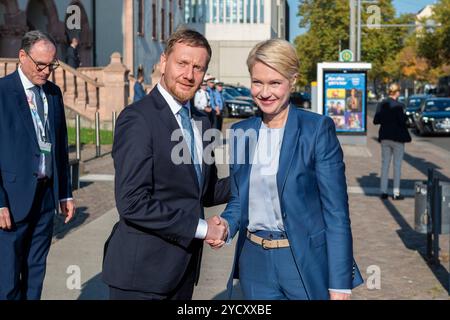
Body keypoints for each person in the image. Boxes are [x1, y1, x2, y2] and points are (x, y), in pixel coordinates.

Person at [207, 39, 363, 300]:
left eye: (275, 83)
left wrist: (340, 284)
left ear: (293, 81)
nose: (264, 92)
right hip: (254, 263)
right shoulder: (240, 133)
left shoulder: (317, 130)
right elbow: (239, 199)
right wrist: (226, 224)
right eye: (257, 82)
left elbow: (336, 212)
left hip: (303, 260)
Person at [102, 28, 230, 300]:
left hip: (182, 272)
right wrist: (203, 229)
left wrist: (253, 176)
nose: (189, 74)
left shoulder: (202, 123)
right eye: (182, 63)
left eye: (198, 67)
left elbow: (202, 192)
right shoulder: (138, 119)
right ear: (163, 61)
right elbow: (132, 202)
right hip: (141, 277)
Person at [0, 30, 75, 300]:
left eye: (51, 65)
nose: (46, 71)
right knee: (7, 281)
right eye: (40, 64)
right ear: (22, 56)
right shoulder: (3, 91)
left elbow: (60, 145)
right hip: (11, 200)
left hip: (45, 198)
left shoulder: (53, 93)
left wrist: (65, 192)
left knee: (35, 274)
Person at [373, 83, 411, 200]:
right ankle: (396, 192)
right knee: (397, 165)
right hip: (398, 138)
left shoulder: (381, 104)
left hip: (385, 137)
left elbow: (376, 120)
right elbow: (402, 121)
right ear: (397, 92)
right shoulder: (399, 106)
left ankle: (383, 191)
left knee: (385, 165)